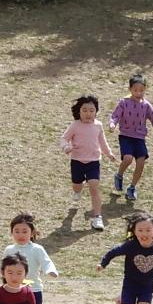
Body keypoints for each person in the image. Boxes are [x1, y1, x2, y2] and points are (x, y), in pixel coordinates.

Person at [0, 214, 57, 304]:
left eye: (24, 231)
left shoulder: (37, 249)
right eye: (16, 231)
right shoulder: (9, 249)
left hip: (33, 289)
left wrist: (50, 270)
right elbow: (1, 268)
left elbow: (46, 262)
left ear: (32, 233)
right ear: (12, 233)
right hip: (12, 290)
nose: (20, 235)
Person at [60, 93, 111, 230]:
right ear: (79, 111)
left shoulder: (98, 126)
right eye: (84, 110)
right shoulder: (75, 125)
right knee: (77, 185)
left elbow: (102, 142)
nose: (88, 114)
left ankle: (97, 218)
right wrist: (67, 147)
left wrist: (109, 154)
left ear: (96, 112)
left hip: (93, 161)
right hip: (77, 161)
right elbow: (64, 138)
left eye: (91, 110)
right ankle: (77, 191)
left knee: (94, 186)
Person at [110, 73, 153, 202]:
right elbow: (116, 115)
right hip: (126, 136)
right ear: (130, 89)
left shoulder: (146, 105)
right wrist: (112, 124)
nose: (138, 93)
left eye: (141, 90)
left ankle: (132, 187)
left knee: (141, 163)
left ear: (145, 90)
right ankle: (119, 175)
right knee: (128, 158)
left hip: (139, 138)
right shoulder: (124, 102)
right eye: (135, 90)